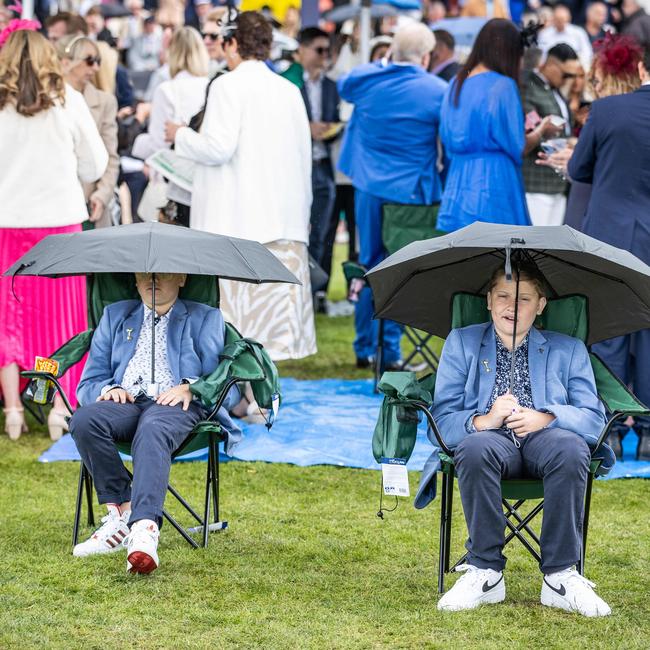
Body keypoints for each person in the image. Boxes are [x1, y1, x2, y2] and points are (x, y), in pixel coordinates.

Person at [418, 263, 612, 616]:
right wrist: (483, 420)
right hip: (491, 443)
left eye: (523, 298)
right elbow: (440, 422)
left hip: (547, 442)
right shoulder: (461, 343)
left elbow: (594, 419)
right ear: (489, 301)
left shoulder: (568, 349)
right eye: (503, 296)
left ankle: (560, 576)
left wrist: (548, 417)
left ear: (540, 305)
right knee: (474, 447)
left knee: (571, 447)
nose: (511, 306)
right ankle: (485, 572)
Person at [166, 11, 316, 361]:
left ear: (233, 43)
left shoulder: (227, 85)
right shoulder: (289, 89)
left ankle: (244, 393)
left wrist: (181, 135)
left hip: (234, 220)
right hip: (283, 217)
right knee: (273, 321)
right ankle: (264, 392)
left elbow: (218, 148)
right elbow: (303, 155)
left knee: (236, 323)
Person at [68, 272, 241, 574]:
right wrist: (108, 389)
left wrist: (191, 387)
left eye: (164, 274)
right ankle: (123, 514)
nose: (153, 280)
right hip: (129, 402)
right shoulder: (115, 315)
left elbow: (226, 384)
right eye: (145, 274)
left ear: (183, 278)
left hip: (178, 404)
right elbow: (88, 383)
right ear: (134, 280)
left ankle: (145, 529)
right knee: (84, 420)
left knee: (153, 426)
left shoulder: (205, 317)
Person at [0, 30, 107, 440]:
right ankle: (59, 409)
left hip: (8, 222)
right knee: (63, 320)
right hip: (59, 222)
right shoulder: (68, 100)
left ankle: (13, 410)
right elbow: (94, 165)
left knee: (10, 318)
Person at [337, 23, 447, 369]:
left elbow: (345, 84)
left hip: (369, 188)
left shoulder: (368, 80)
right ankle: (391, 353)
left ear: (391, 53)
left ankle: (364, 347)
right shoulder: (439, 90)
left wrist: (386, 62)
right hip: (412, 192)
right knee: (402, 270)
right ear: (426, 56)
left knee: (368, 266)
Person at [566, 47, 650, 461]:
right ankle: (649, 432)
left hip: (611, 232)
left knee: (609, 330)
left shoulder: (608, 109)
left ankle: (612, 427)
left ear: (640, 69)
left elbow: (580, 169)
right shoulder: (611, 109)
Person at [437, 19, 535, 233]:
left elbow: (445, 133)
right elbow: (516, 146)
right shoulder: (502, 86)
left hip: (457, 183)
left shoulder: (457, 82)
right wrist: (540, 133)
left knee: (463, 259)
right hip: (495, 184)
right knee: (501, 258)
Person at [133, 27, 209, 226]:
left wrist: (135, 140)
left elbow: (157, 145)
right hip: (204, 184)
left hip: (173, 186)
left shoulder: (167, 90)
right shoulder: (211, 86)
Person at [292, 27, 340, 284]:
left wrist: (329, 129)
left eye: (327, 50)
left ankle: (317, 287)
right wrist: (307, 128)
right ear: (303, 50)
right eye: (319, 50)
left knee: (322, 230)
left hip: (323, 164)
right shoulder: (290, 83)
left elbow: (338, 119)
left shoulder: (333, 86)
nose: (324, 55)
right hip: (297, 167)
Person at [56, 35, 120, 229]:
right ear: (68, 62)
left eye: (98, 61)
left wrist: (102, 195)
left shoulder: (105, 101)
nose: (95, 68)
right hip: (57, 201)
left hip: (89, 203)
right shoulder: (49, 101)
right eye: (90, 60)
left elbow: (111, 156)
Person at [521, 43, 580, 226]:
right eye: (567, 74)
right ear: (551, 65)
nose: (570, 80)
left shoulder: (556, 92)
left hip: (559, 184)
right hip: (536, 184)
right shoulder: (528, 86)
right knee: (534, 244)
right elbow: (531, 129)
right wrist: (570, 143)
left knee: (552, 248)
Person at [538, 4, 593, 70]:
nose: (560, 22)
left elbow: (587, 53)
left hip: (574, 68)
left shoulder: (578, 32)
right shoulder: (544, 34)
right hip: (551, 68)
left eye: (562, 19)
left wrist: (578, 64)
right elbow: (541, 55)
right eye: (558, 19)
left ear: (568, 18)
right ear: (553, 19)